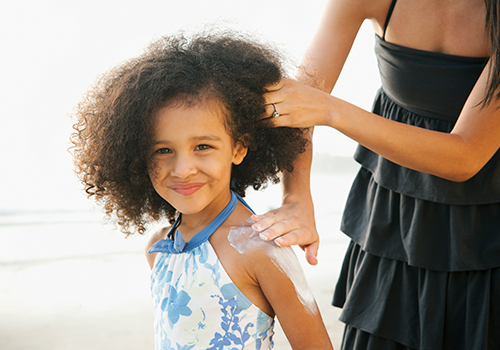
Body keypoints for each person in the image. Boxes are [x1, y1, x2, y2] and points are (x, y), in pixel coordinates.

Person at [252, 0, 500, 349]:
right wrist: (296, 198)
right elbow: (297, 104)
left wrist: (331, 110)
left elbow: (465, 155)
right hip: (394, 225)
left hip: (489, 233)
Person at [70, 30, 334, 350]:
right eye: (163, 150)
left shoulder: (262, 250)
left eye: (203, 146)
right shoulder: (159, 249)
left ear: (238, 148)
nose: (183, 169)